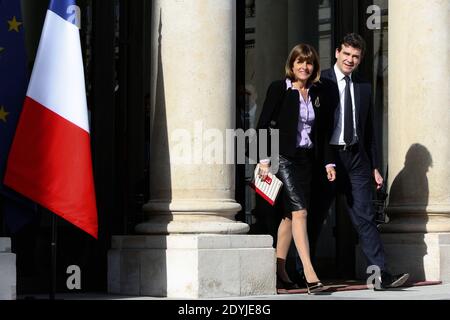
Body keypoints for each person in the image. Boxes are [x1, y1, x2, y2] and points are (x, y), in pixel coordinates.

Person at [317, 33, 409, 289]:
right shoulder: (320, 82)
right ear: (337, 52)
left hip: (357, 157)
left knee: (365, 216)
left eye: (355, 56)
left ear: (360, 59)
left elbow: (369, 131)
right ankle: (304, 273)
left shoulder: (364, 86)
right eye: (346, 54)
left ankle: (380, 274)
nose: (350, 60)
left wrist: (375, 166)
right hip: (329, 157)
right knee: (317, 214)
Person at [256, 44, 336, 293]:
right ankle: (310, 273)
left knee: (290, 217)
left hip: (306, 161)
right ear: (292, 65)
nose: (304, 67)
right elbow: (263, 124)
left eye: (309, 63)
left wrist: (328, 162)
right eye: (300, 62)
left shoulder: (316, 92)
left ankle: (280, 271)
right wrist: (264, 159)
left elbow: (321, 132)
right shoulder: (279, 88)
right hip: (283, 159)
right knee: (301, 212)